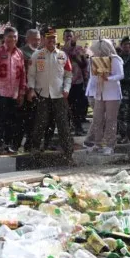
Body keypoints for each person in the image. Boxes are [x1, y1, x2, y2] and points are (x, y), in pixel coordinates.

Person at [27, 28, 74, 162]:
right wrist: (31, 89)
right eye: (48, 38)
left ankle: (68, 153)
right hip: (42, 94)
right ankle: (35, 150)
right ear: (43, 39)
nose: (51, 40)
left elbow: (68, 75)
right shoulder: (37, 55)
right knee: (40, 123)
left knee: (63, 125)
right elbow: (31, 75)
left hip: (59, 95)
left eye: (53, 38)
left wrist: (67, 89)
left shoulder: (63, 55)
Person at [0, 26, 26, 155]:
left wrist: (21, 92)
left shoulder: (19, 53)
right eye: (10, 36)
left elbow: (23, 74)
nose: (12, 39)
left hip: (14, 93)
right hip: (0, 92)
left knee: (12, 120)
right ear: (4, 37)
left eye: (15, 37)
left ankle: (9, 144)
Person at [83, 39, 123, 155]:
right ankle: (98, 143)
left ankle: (110, 145)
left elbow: (121, 75)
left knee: (110, 120)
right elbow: (93, 77)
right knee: (97, 119)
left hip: (112, 94)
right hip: (99, 93)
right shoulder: (94, 60)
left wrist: (108, 78)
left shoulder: (115, 59)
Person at [14, 29, 40, 152]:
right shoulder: (21, 52)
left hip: (37, 91)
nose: (37, 41)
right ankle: (15, 144)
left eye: (38, 39)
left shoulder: (41, 53)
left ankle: (30, 144)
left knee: (34, 120)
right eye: (34, 39)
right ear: (27, 39)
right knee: (20, 120)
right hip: (23, 91)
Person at [62, 30, 88, 136]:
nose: (69, 38)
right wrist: (72, 43)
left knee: (78, 106)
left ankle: (78, 127)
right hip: (66, 83)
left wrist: (86, 79)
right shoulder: (61, 50)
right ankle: (67, 129)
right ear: (63, 38)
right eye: (67, 36)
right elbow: (69, 51)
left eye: (71, 36)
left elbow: (84, 65)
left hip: (78, 81)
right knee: (67, 106)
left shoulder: (80, 48)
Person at [117, 37, 130, 143]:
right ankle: (123, 136)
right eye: (125, 44)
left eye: (129, 44)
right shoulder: (118, 59)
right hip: (122, 88)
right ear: (121, 46)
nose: (127, 46)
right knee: (123, 113)